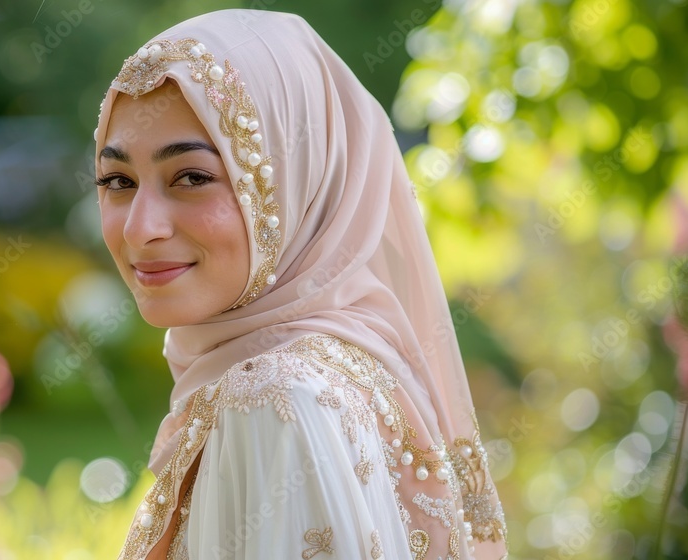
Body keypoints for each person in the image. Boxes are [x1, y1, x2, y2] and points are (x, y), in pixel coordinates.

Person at [92, 9, 508, 559]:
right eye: (117, 181)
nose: (141, 229)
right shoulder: (354, 365)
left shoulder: (270, 398)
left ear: (297, 183)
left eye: (192, 177)